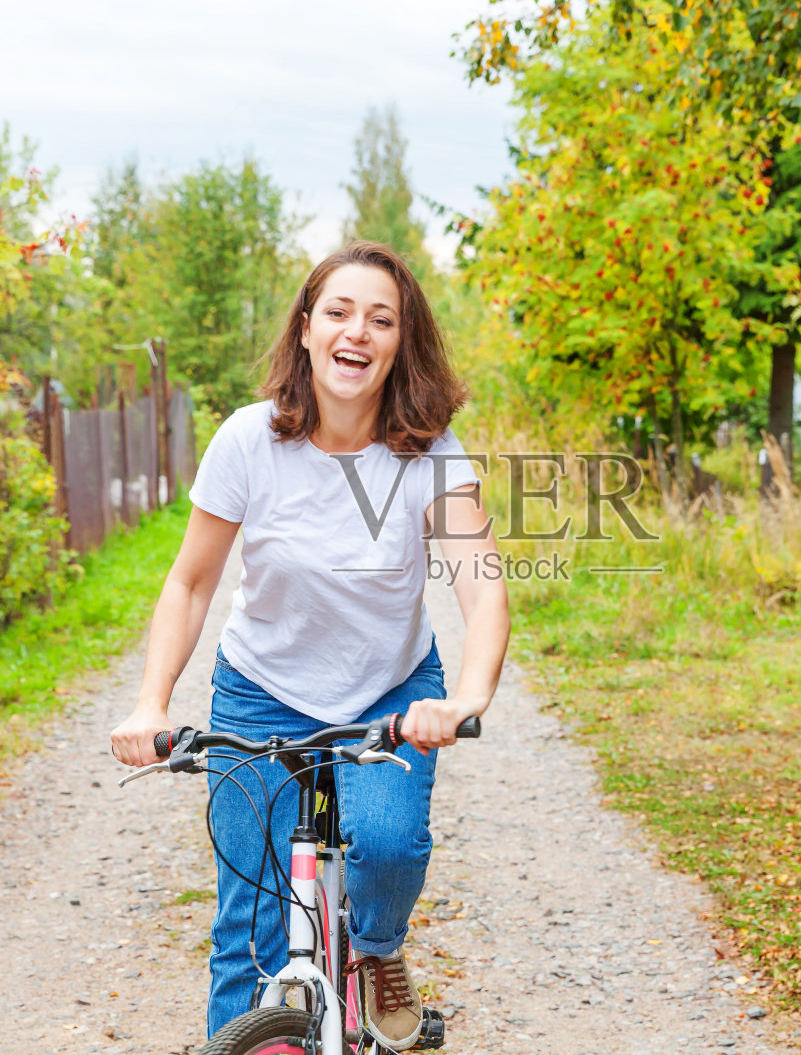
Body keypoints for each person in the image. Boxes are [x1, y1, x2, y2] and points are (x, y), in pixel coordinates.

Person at [109, 242, 510, 1051]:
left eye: (381, 318)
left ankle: (379, 950)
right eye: (338, 311)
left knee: (389, 848)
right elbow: (190, 584)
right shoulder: (249, 441)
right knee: (248, 925)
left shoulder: (429, 450)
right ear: (305, 328)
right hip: (260, 689)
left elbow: (482, 584)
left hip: (388, 690)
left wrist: (465, 698)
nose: (356, 331)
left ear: (401, 343)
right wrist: (152, 702)